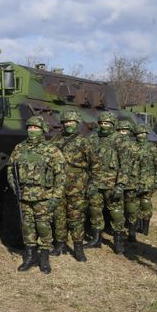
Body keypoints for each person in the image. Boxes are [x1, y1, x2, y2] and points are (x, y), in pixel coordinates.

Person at [7, 115, 65, 274]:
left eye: (36, 128)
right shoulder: (19, 148)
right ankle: (30, 256)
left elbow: (60, 175)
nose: (32, 130)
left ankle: (44, 258)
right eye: (30, 128)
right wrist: (13, 185)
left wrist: (56, 197)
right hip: (24, 195)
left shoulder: (52, 150)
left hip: (43, 196)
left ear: (43, 130)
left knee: (43, 226)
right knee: (27, 226)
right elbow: (11, 169)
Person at [50, 110, 97, 262]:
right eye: (66, 122)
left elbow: (95, 165)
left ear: (77, 123)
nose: (68, 125)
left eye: (71, 122)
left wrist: (92, 184)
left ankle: (78, 247)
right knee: (59, 216)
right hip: (58, 183)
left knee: (76, 216)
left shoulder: (84, 141)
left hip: (78, 184)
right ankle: (60, 245)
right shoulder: (55, 140)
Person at [85, 112, 129, 255]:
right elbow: (86, 160)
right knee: (94, 209)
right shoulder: (93, 138)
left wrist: (120, 185)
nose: (104, 126)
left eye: (107, 124)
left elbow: (125, 165)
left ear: (113, 125)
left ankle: (118, 241)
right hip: (95, 182)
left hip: (112, 183)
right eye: (102, 123)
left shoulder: (119, 140)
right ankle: (96, 239)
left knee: (116, 212)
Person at [133, 124, 157, 236]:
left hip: (148, 181)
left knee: (145, 202)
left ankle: (145, 227)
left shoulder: (151, 148)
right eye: (138, 134)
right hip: (134, 180)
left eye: (143, 134)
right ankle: (136, 224)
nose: (140, 136)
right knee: (134, 203)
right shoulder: (133, 147)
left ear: (146, 134)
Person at [115, 120, 141, 242]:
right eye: (119, 130)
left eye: (124, 131)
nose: (122, 133)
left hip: (131, 181)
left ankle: (131, 231)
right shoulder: (113, 144)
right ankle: (118, 232)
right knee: (117, 209)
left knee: (131, 208)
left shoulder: (134, 146)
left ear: (129, 132)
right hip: (116, 181)